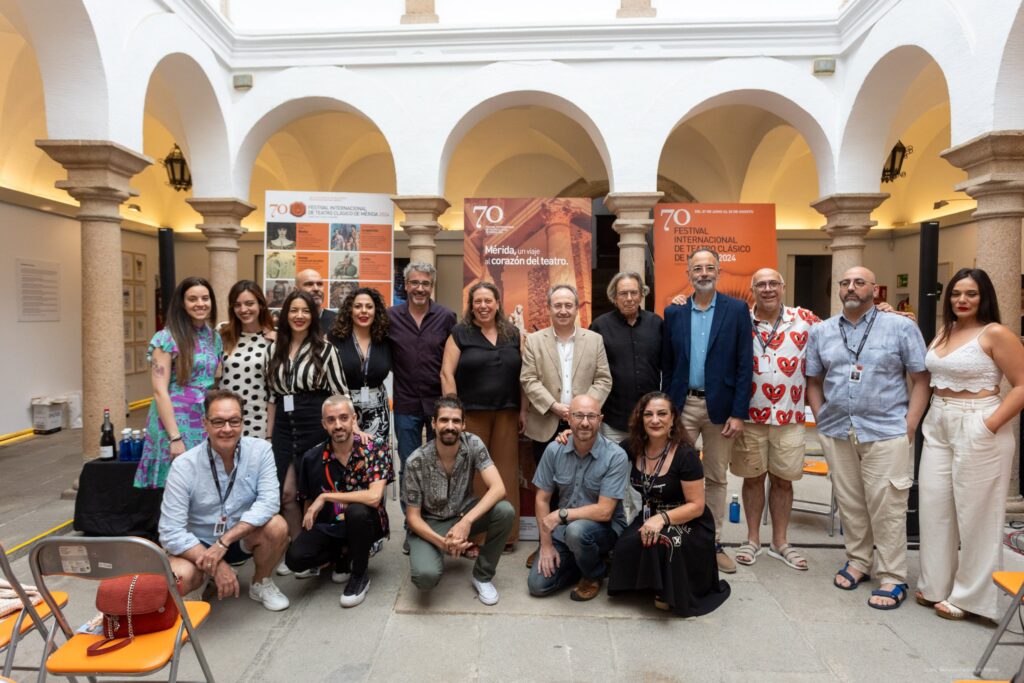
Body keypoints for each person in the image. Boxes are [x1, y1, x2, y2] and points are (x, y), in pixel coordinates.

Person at [806, 266, 930, 610]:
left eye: (859, 282)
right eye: (844, 283)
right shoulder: (822, 331)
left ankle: (892, 575)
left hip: (886, 429)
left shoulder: (901, 326)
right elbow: (813, 381)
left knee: (887, 503)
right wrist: (820, 418)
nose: (850, 288)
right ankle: (859, 560)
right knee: (850, 501)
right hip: (837, 429)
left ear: (875, 290)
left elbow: (921, 378)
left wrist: (910, 424)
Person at [917, 268, 1024, 620]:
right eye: (956, 293)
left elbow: (1021, 384)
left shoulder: (995, 332)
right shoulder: (945, 330)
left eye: (971, 294)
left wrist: (989, 425)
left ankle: (970, 598)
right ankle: (935, 584)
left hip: (978, 419)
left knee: (977, 514)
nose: (962, 300)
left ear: (984, 297)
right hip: (939, 420)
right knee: (934, 506)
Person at [661, 248, 753, 573]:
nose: (703, 273)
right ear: (688, 274)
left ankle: (712, 543)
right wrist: (667, 409)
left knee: (715, 476)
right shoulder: (674, 313)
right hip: (682, 405)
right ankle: (679, 537)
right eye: (697, 268)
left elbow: (744, 364)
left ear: (718, 271)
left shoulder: (737, 310)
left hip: (721, 409)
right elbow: (668, 365)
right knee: (675, 473)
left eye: (709, 267)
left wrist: (738, 412)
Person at [160, 389, 290, 612]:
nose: (227, 429)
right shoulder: (184, 466)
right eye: (218, 422)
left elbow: (269, 503)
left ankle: (260, 583)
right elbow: (170, 531)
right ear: (205, 423)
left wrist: (225, 541)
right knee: (180, 576)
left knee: (277, 526)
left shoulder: (262, 451)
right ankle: (205, 577)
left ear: (242, 422)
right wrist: (215, 562)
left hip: (240, 538)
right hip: (199, 544)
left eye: (234, 421)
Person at [607, 392, 730, 616]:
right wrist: (569, 434)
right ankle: (651, 584)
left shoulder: (685, 455)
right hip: (650, 515)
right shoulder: (632, 446)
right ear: (641, 419)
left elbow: (696, 506)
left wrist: (660, 519)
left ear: (673, 418)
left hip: (688, 519)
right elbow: (600, 449)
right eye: (649, 414)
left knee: (663, 542)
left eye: (662, 414)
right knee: (625, 546)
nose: (655, 420)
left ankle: (669, 591)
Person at [731, 268, 819, 571]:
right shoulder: (739, 319)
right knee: (752, 478)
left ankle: (780, 542)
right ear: (753, 289)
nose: (767, 289)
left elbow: (840, 331)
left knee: (784, 481)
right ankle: (752, 539)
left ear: (783, 287)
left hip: (790, 415)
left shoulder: (804, 319)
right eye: (761, 284)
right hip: (750, 415)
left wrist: (886, 312)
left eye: (773, 284)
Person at [521, 283, 612, 562]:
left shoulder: (593, 340)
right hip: (547, 421)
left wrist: (580, 412)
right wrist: (555, 406)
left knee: (583, 486)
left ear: (577, 308)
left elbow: (603, 379)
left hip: (584, 424)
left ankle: (578, 544)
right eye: (557, 305)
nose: (563, 310)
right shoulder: (535, 341)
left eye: (568, 305)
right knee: (548, 488)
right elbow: (528, 379)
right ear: (549, 308)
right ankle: (547, 542)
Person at [266, 290, 348, 574]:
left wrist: (349, 434)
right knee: (286, 494)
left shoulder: (326, 350)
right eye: (293, 311)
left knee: (318, 493)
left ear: (313, 316)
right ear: (285, 315)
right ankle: (301, 551)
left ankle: (328, 552)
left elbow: (340, 395)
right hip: (284, 429)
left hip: (316, 424)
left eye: (305, 311)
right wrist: (268, 436)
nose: (299, 316)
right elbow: (271, 397)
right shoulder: (273, 349)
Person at [403, 395, 515, 606]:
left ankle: (482, 575)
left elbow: (499, 488)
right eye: (444, 420)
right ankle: (433, 551)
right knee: (425, 578)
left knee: (505, 511)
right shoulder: (415, 461)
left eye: (456, 421)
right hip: (430, 523)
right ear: (434, 424)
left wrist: (466, 522)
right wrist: (444, 544)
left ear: (463, 425)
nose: (450, 426)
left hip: (463, 512)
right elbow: (413, 519)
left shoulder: (473, 443)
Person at [286, 395, 394, 608]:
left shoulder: (375, 447)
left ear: (354, 419)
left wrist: (325, 496)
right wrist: (310, 534)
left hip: (367, 523)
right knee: (295, 559)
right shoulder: (312, 457)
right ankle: (342, 556)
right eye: (331, 420)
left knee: (357, 512)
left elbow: (373, 497)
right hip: (331, 525)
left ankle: (359, 576)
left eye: (344, 418)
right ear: (323, 424)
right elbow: (309, 504)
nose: (338, 425)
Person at [441, 281, 524, 550]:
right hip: (472, 414)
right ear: (471, 306)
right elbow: (446, 373)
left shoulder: (513, 333)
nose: (483, 306)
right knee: (476, 476)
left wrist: (523, 410)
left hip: (507, 412)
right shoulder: (460, 333)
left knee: (506, 472)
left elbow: (523, 376)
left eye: (488, 300)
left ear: (498, 303)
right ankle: (475, 536)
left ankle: (506, 536)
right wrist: (453, 413)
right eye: (478, 301)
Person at [527, 395, 629, 601]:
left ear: (600, 419)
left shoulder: (615, 456)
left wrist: (561, 515)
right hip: (564, 532)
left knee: (577, 531)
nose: (584, 422)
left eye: (591, 416)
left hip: (603, 529)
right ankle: (582, 561)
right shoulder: (554, 449)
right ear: (568, 419)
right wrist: (546, 545)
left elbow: (604, 511)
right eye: (579, 416)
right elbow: (542, 499)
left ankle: (594, 574)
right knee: (537, 586)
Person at [389, 263, 457, 552]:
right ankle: (411, 526)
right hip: (405, 403)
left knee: (442, 465)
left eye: (425, 283)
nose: (419, 288)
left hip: (437, 405)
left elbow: (456, 356)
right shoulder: (391, 317)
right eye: (414, 282)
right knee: (410, 466)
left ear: (432, 286)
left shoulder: (446, 317)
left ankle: (438, 522)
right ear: (406, 285)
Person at [135, 277, 223, 489]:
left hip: (203, 418)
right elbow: (159, 391)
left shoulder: (214, 337)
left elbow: (213, 380)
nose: (200, 303)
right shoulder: (167, 337)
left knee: (203, 486)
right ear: (182, 304)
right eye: (192, 299)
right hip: (174, 420)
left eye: (205, 298)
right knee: (177, 488)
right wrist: (175, 438)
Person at [590, 272, 663, 443]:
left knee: (650, 468)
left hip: (651, 419)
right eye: (623, 293)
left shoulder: (656, 324)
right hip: (614, 419)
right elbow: (591, 371)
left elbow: (666, 366)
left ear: (642, 294)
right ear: (614, 297)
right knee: (615, 468)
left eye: (634, 293)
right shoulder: (599, 326)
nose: (629, 298)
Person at [329, 287, 393, 437]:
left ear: (376, 311)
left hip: (378, 412)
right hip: (344, 411)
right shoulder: (335, 338)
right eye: (358, 306)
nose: (364, 311)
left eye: (369, 307)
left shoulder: (385, 338)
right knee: (347, 458)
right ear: (349, 311)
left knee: (375, 457)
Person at [219, 280, 275, 439]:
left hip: (258, 420)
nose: (243, 309)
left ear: (261, 304)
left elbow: (273, 393)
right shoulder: (222, 333)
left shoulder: (273, 339)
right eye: (237, 305)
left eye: (249, 303)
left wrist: (270, 435)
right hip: (224, 419)